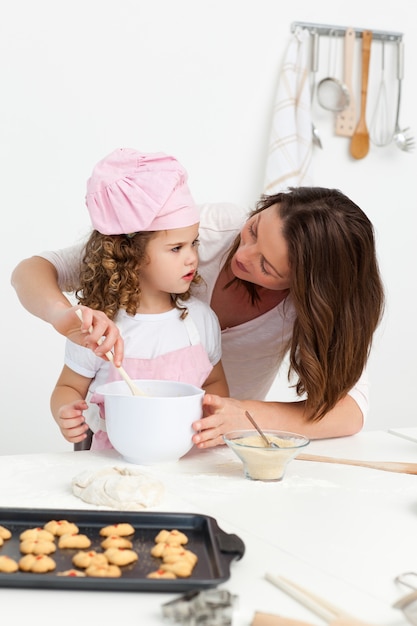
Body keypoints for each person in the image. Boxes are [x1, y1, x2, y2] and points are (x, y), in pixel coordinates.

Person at [12, 178, 385, 447]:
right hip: (116, 444)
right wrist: (65, 316)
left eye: (266, 267)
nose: (241, 254)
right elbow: (32, 270)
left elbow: (350, 410)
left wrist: (245, 416)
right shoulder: (196, 232)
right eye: (253, 230)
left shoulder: (216, 318)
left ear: (306, 289)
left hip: (207, 447)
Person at [49, 148, 229, 448]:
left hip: (191, 462)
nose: (192, 258)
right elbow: (68, 387)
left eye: (193, 244)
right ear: (130, 255)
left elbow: (213, 383)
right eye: (176, 248)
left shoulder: (200, 319)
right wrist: (65, 412)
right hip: (114, 462)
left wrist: (216, 412)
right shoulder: (98, 328)